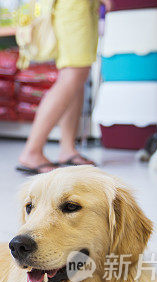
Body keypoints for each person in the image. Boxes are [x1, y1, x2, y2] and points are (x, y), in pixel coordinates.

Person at [16, 0, 111, 175]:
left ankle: (67, 149)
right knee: (73, 74)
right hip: (74, 7)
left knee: (76, 74)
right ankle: (32, 151)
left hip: (77, 6)